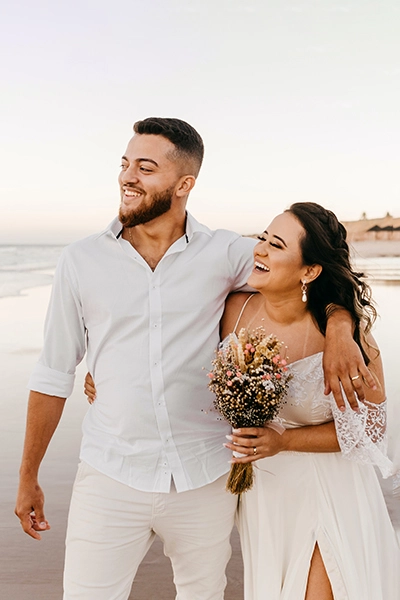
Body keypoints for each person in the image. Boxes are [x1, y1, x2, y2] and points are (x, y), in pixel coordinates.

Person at [15, 118, 374, 600]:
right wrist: (28, 475)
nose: (128, 176)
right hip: (110, 473)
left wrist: (338, 324)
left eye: (146, 167)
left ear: (184, 184)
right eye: (125, 164)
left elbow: (308, 274)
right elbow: (54, 371)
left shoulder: (224, 252)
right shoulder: (80, 261)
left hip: (203, 475)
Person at [222, 202, 400, 600]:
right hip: (265, 496)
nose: (261, 250)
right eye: (263, 238)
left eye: (277, 245)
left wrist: (283, 441)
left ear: (309, 271)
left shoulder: (346, 341)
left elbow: (370, 431)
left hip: (330, 491)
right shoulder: (233, 309)